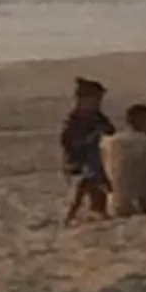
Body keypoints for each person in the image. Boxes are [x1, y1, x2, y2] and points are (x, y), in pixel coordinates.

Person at [58, 78, 117, 223]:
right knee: (86, 180)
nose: (97, 104)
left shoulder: (98, 118)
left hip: (98, 159)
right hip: (78, 161)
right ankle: (73, 213)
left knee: (97, 178)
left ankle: (98, 208)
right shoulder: (74, 121)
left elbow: (111, 131)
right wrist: (87, 141)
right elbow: (68, 143)